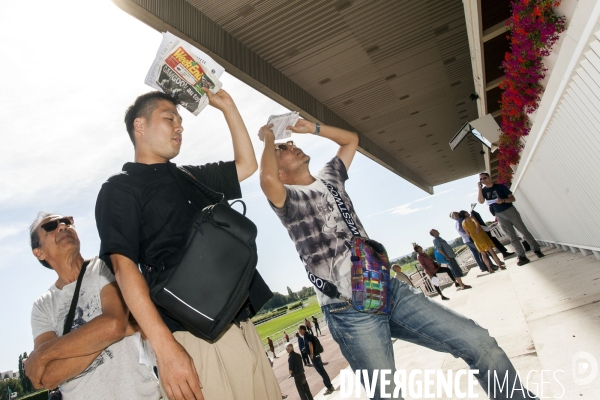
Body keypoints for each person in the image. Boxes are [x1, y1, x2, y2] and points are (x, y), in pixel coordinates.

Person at [258, 120, 539, 400]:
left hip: (388, 288)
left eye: (291, 142)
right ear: (280, 171)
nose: (292, 145)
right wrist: (269, 138)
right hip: (349, 310)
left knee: (480, 343)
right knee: (388, 396)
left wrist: (312, 128)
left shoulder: (330, 178)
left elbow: (351, 140)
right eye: (284, 148)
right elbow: (267, 180)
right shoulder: (286, 200)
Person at [95, 91, 280, 400]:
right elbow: (124, 268)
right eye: (170, 119)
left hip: (240, 326)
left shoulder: (190, 176)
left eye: (181, 121)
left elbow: (246, 165)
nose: (179, 127)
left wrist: (228, 107)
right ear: (140, 126)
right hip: (193, 340)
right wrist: (166, 349)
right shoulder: (120, 188)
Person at [25, 213, 159, 399]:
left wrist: (42, 354)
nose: (63, 226)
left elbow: (113, 324)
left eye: (66, 221)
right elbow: (48, 376)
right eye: (51, 226)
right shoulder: (42, 306)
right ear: (39, 252)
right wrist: (117, 330)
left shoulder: (105, 266)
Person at [478, 172, 545, 266]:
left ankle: (536, 250)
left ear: (489, 177)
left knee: (524, 232)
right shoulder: (483, 191)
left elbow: (512, 198)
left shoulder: (500, 187)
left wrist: (503, 200)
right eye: (481, 179)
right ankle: (522, 256)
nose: (483, 180)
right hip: (499, 215)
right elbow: (481, 201)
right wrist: (479, 189)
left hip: (510, 210)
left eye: (484, 178)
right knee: (511, 236)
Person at [297, 325, 334, 395]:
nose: (299, 332)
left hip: (315, 357)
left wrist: (311, 354)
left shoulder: (306, 336)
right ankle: (329, 386)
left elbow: (310, 344)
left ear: (302, 330)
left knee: (321, 372)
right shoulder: (308, 335)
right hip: (316, 355)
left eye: (299, 330)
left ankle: (329, 387)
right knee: (322, 371)